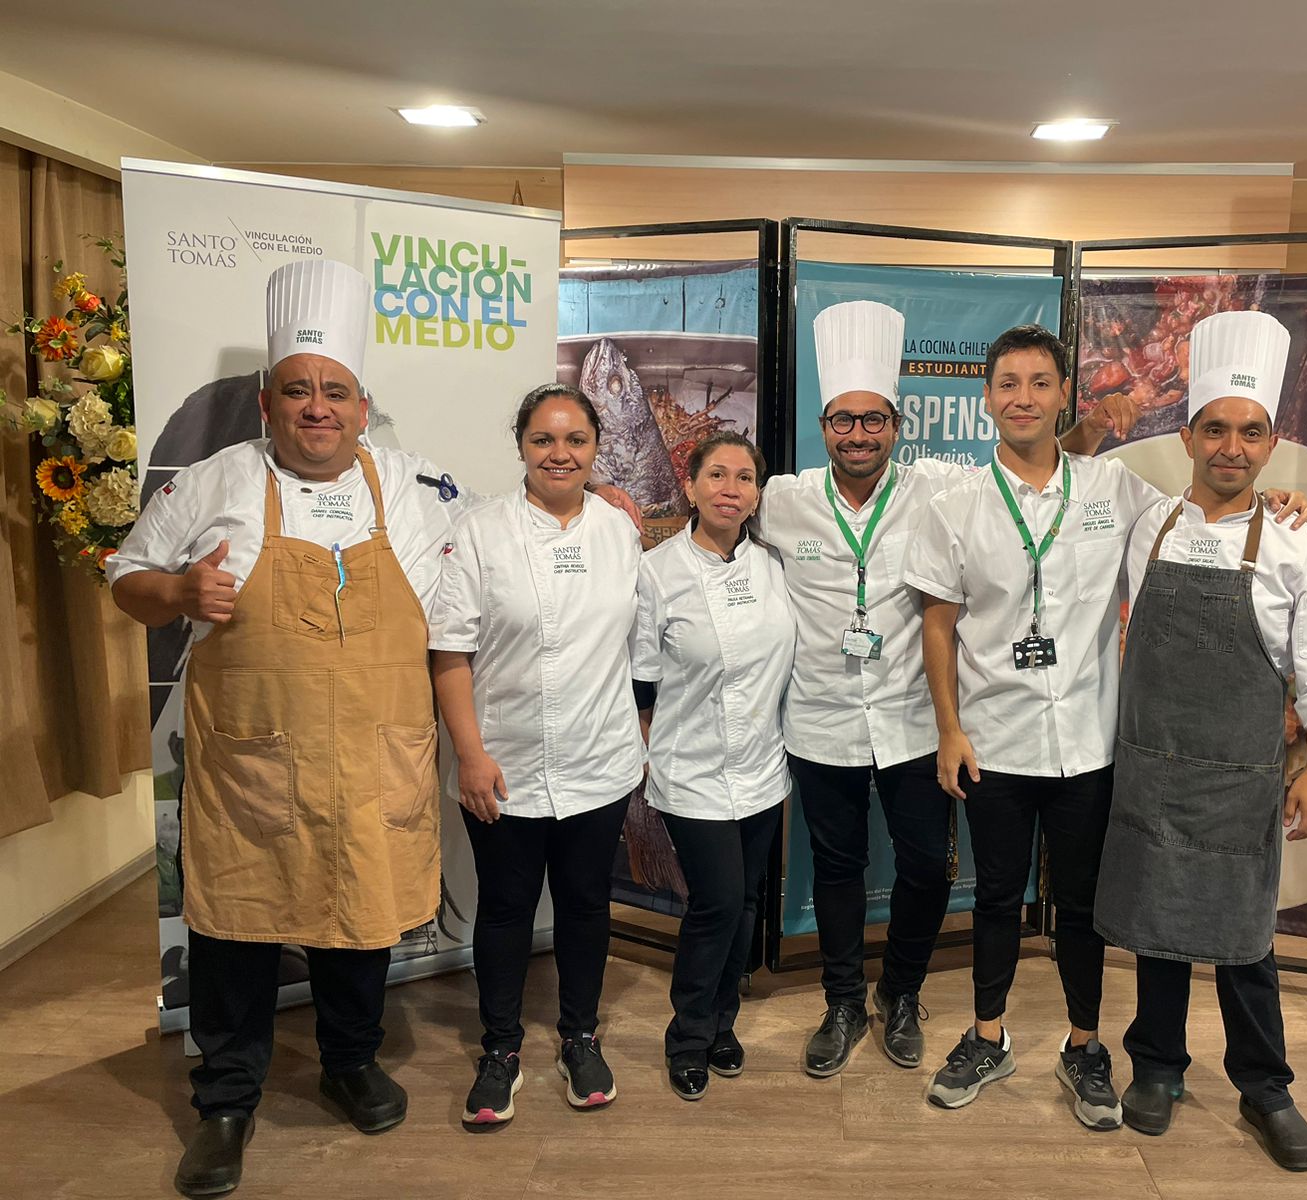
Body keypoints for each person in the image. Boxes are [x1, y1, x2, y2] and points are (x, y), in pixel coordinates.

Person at [904, 323, 1307, 1121]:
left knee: (1085, 904)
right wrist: (949, 729)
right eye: (1008, 383)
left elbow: (1206, 513)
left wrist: (1277, 506)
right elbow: (938, 624)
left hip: (1092, 744)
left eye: (1040, 383)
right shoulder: (954, 502)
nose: (1023, 397)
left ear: (1064, 395)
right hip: (993, 739)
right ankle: (986, 1036)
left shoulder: (1114, 490)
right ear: (986, 398)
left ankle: (1085, 1046)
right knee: (996, 897)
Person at [108, 259, 458, 1198]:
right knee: (236, 931)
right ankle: (226, 1102)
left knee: (360, 921)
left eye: (335, 392)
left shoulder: (409, 486)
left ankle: (351, 1061)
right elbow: (127, 577)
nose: (317, 408)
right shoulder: (214, 481)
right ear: (267, 403)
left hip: (374, 757)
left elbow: (477, 583)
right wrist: (180, 592)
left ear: (361, 406)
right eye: (298, 390)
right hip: (253, 765)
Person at [759, 301, 1137, 1078]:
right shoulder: (785, 499)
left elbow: (1032, 467)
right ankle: (842, 1000)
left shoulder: (939, 485)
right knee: (835, 869)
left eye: (873, 420)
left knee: (928, 869)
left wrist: (1093, 432)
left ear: (897, 426)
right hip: (823, 720)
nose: (858, 434)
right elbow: (717, 510)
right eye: (843, 421)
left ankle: (900, 992)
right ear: (823, 426)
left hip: (914, 721)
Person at [1095, 310, 1307, 1171]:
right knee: (1157, 927)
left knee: (1248, 943)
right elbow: (1058, 468)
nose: (1231, 448)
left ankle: (1265, 1087)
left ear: (1272, 445)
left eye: (1250, 433)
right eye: (1215, 429)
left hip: (1240, 780)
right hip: (1152, 770)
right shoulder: (1148, 524)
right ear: (1187, 438)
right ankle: (1156, 1066)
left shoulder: (1295, 546)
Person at [430, 383, 644, 1124]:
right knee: (506, 909)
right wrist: (469, 754)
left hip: (599, 759)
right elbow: (450, 651)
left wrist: (641, 732)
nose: (560, 454)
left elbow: (635, 644)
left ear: (596, 447)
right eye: (543, 440)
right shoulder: (480, 531)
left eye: (576, 440)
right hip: (505, 762)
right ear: (520, 445)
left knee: (586, 904)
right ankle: (501, 1049)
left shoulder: (620, 530)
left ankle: (581, 1036)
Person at [631, 432, 795, 1100]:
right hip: (690, 768)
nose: (732, 489)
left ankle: (723, 1021)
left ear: (757, 494)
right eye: (717, 475)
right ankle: (690, 1035)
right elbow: (641, 679)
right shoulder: (657, 571)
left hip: (762, 764)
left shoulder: (773, 566)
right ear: (691, 486)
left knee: (747, 901)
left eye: (745, 478)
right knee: (718, 902)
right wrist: (643, 754)